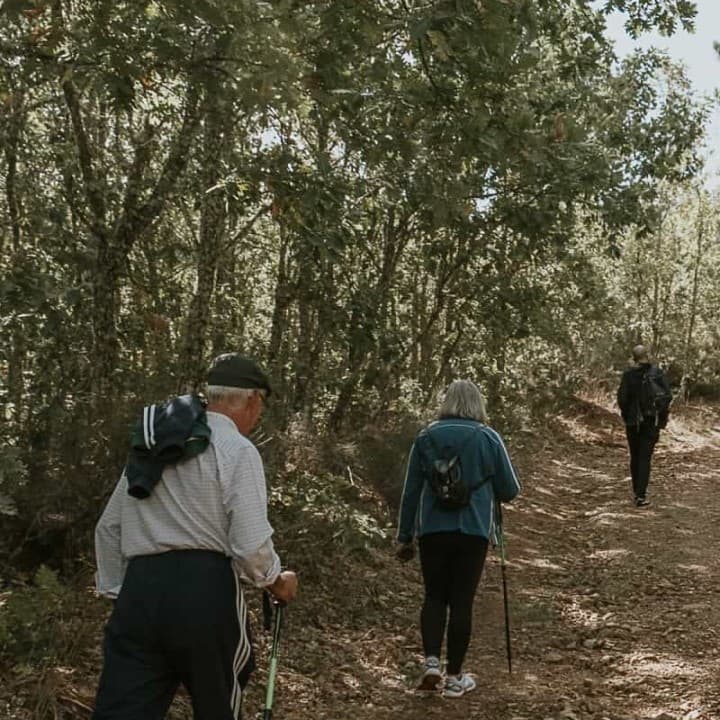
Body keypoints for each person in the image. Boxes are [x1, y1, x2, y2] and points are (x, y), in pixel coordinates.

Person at [92, 353, 298, 720]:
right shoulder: (238, 449)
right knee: (217, 706)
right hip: (205, 592)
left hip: (139, 593)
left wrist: (118, 591)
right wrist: (275, 582)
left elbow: (109, 528)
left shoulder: (154, 444)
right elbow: (250, 545)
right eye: (261, 404)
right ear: (251, 400)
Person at [396, 380, 521, 698]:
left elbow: (411, 491)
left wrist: (405, 535)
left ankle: (431, 663)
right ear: (477, 404)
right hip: (474, 530)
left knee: (435, 596)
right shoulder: (488, 437)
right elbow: (510, 490)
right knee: (462, 600)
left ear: (447, 402)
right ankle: (454, 678)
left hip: (433, 531)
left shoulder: (425, 437)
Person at [617, 344, 672, 507]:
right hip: (651, 421)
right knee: (645, 457)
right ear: (646, 356)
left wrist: (627, 416)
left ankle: (636, 492)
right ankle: (641, 495)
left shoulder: (628, 375)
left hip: (633, 422)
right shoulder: (657, 373)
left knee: (635, 455)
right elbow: (667, 396)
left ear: (634, 357)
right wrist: (661, 419)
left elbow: (622, 399)